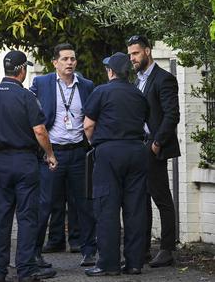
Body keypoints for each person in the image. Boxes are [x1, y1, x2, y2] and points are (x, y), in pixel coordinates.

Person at [0, 50, 58, 282]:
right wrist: (50, 154)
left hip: (0, 162)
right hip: (24, 162)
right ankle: (26, 270)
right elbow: (39, 130)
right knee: (27, 217)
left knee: (1, 218)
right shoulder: (26, 97)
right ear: (21, 70)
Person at [30, 43, 96, 269]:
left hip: (78, 152)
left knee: (85, 204)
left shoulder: (86, 85)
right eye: (65, 59)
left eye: (73, 59)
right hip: (53, 154)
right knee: (45, 204)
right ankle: (34, 253)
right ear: (55, 63)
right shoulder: (41, 83)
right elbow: (33, 116)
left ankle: (89, 251)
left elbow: (92, 117)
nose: (70, 63)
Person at [83, 52, 149, 276]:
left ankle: (108, 264)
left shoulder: (101, 91)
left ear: (111, 71)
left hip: (109, 152)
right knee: (135, 209)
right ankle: (134, 263)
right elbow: (146, 123)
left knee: (107, 208)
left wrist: (96, 145)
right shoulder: (138, 94)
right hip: (137, 151)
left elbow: (88, 126)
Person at [126, 35, 180, 267]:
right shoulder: (136, 80)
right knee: (141, 199)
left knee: (161, 198)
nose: (132, 58)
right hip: (137, 146)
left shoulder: (163, 79)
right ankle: (143, 248)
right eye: (130, 55)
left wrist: (156, 143)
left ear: (147, 51)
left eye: (136, 53)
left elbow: (172, 115)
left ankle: (167, 249)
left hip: (153, 146)